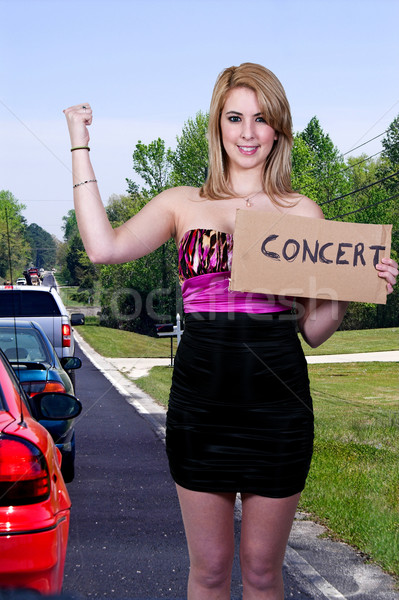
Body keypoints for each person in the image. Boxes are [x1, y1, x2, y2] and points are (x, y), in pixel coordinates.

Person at [64, 63, 398, 600]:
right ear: (217, 125)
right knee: (211, 572)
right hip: (201, 407)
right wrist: (79, 143)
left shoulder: (303, 213)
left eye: (261, 119)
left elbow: (314, 330)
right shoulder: (180, 203)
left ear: (278, 128)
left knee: (264, 576)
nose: (248, 132)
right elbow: (103, 248)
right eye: (235, 117)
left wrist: (353, 285)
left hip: (278, 409)